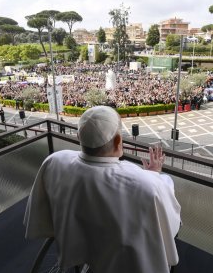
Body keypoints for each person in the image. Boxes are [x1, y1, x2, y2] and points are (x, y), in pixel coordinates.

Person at [24, 106, 181, 273]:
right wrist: (154, 174)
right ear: (118, 141)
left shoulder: (55, 160)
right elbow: (170, 224)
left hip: (77, 241)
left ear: (79, 136)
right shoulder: (147, 184)